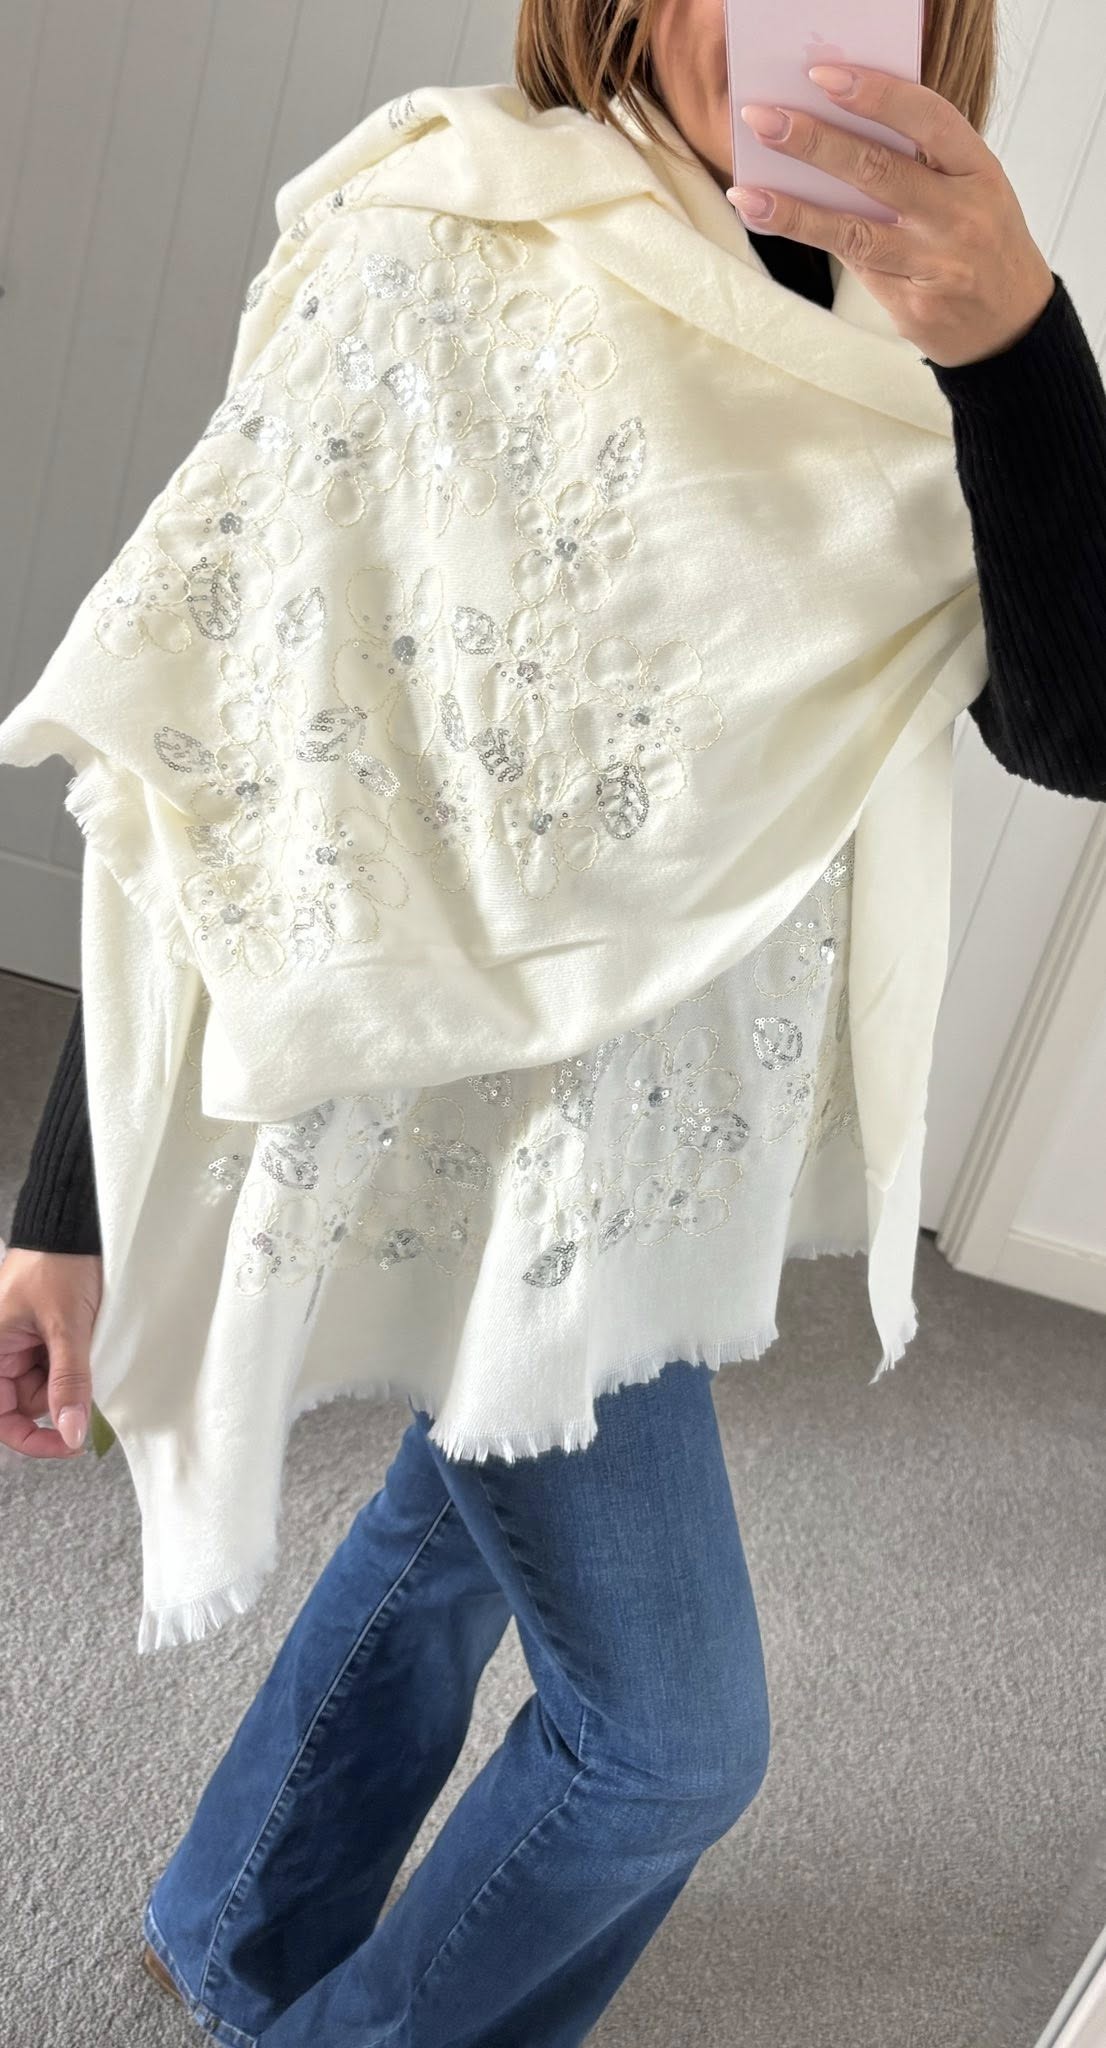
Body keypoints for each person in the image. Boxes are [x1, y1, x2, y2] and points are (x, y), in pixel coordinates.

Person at [2, 1, 1105, 2040]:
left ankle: (233, 1921)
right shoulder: (447, 231)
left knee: (454, 1516)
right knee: (672, 1741)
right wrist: (62, 1205)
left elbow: (1077, 727)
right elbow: (213, 745)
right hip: (472, 1130)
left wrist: (1022, 353)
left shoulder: (928, 318)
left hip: (674, 1122)